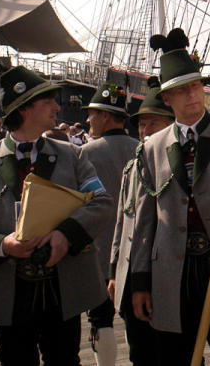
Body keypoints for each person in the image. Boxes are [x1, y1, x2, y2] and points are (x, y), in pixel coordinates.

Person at [0, 66, 113, 366]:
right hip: (9, 290)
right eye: (47, 101)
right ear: (24, 109)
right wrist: (2, 244)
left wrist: (66, 234)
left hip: (62, 287)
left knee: (64, 359)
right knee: (14, 359)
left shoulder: (73, 156)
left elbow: (101, 202)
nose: (57, 106)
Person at [130, 28, 210, 365]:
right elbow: (144, 219)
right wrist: (139, 281)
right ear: (167, 99)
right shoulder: (152, 148)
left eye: (195, 87)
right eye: (182, 91)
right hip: (171, 275)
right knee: (175, 356)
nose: (192, 96)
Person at [109, 78, 173, 365]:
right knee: (139, 354)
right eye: (142, 124)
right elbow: (123, 223)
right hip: (128, 277)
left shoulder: (174, 168)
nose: (145, 131)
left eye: (153, 124)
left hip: (161, 280)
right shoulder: (132, 165)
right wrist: (113, 270)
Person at [79, 83, 138, 366]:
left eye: (92, 114)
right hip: (135, 251)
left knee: (99, 318)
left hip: (99, 250)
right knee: (134, 318)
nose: (87, 120)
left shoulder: (86, 153)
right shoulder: (143, 149)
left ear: (105, 116)